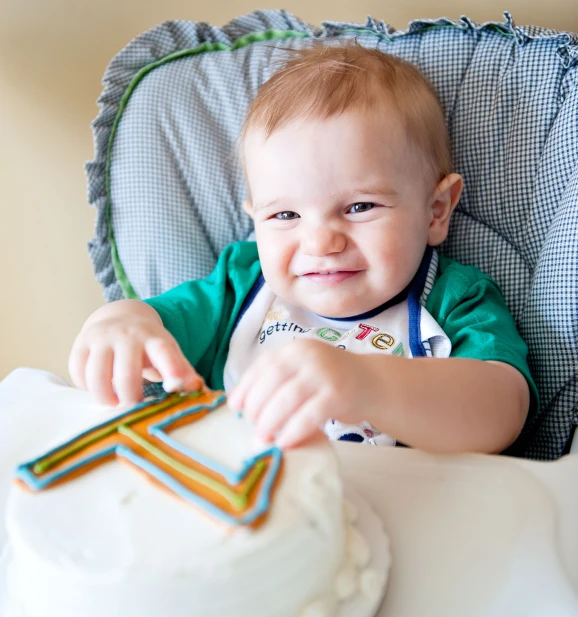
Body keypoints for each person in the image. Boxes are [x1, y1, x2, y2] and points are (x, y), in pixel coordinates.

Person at [69, 43, 538, 453]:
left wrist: (368, 384)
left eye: (359, 206)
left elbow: (503, 410)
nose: (320, 242)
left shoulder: (454, 299)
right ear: (256, 219)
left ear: (436, 211)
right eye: (285, 216)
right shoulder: (241, 284)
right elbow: (157, 328)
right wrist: (119, 322)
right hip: (242, 507)